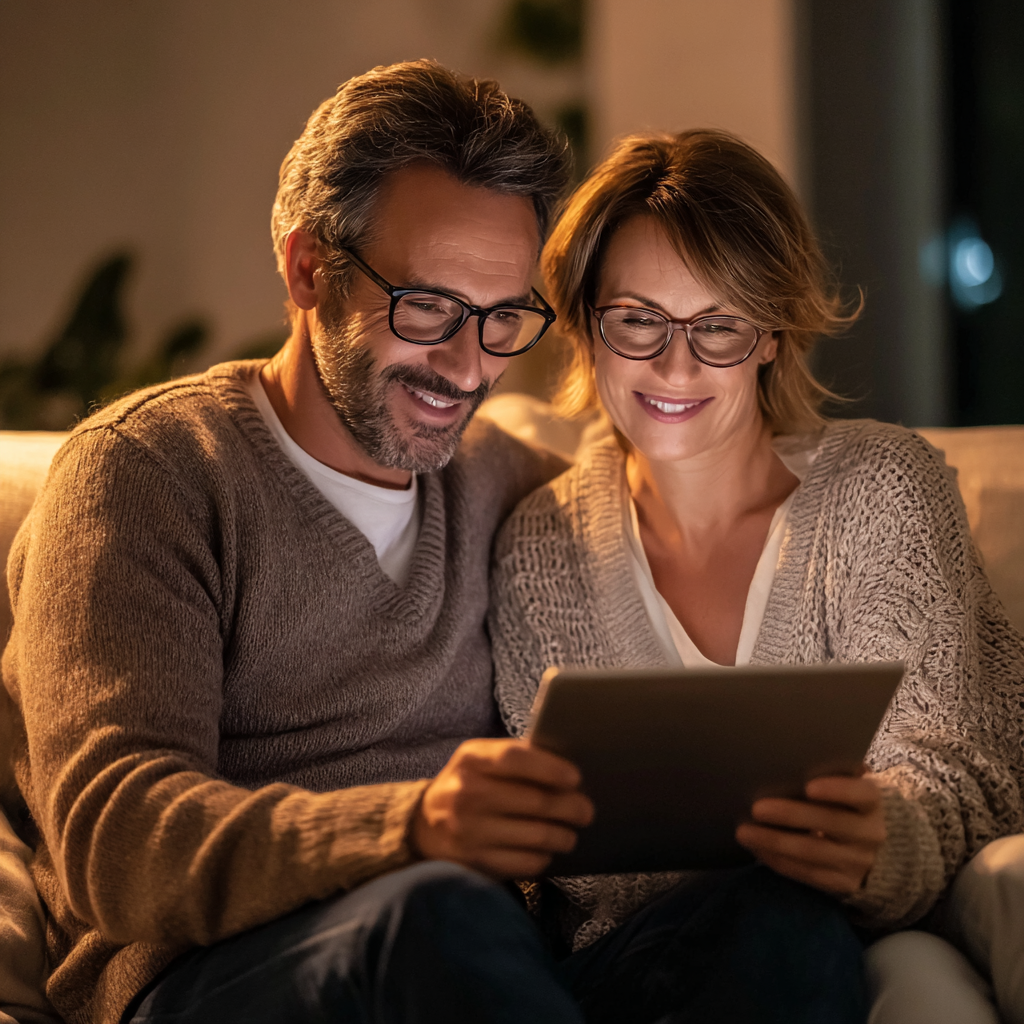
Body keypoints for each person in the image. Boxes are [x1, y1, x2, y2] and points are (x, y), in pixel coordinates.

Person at [1, 65, 867, 1024]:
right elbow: (111, 839)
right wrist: (408, 827)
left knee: (785, 927)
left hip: (488, 966)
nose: (467, 367)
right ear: (306, 269)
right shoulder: (145, 474)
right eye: (427, 308)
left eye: (504, 319)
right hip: (216, 979)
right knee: (440, 917)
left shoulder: (508, 484)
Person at [489, 129, 1024, 1020]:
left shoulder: (885, 491)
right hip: (653, 968)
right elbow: (572, 885)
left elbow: (960, 769)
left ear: (772, 335)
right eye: (638, 319)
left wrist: (880, 843)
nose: (674, 364)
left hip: (862, 933)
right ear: (588, 323)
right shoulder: (540, 550)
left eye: (719, 326)